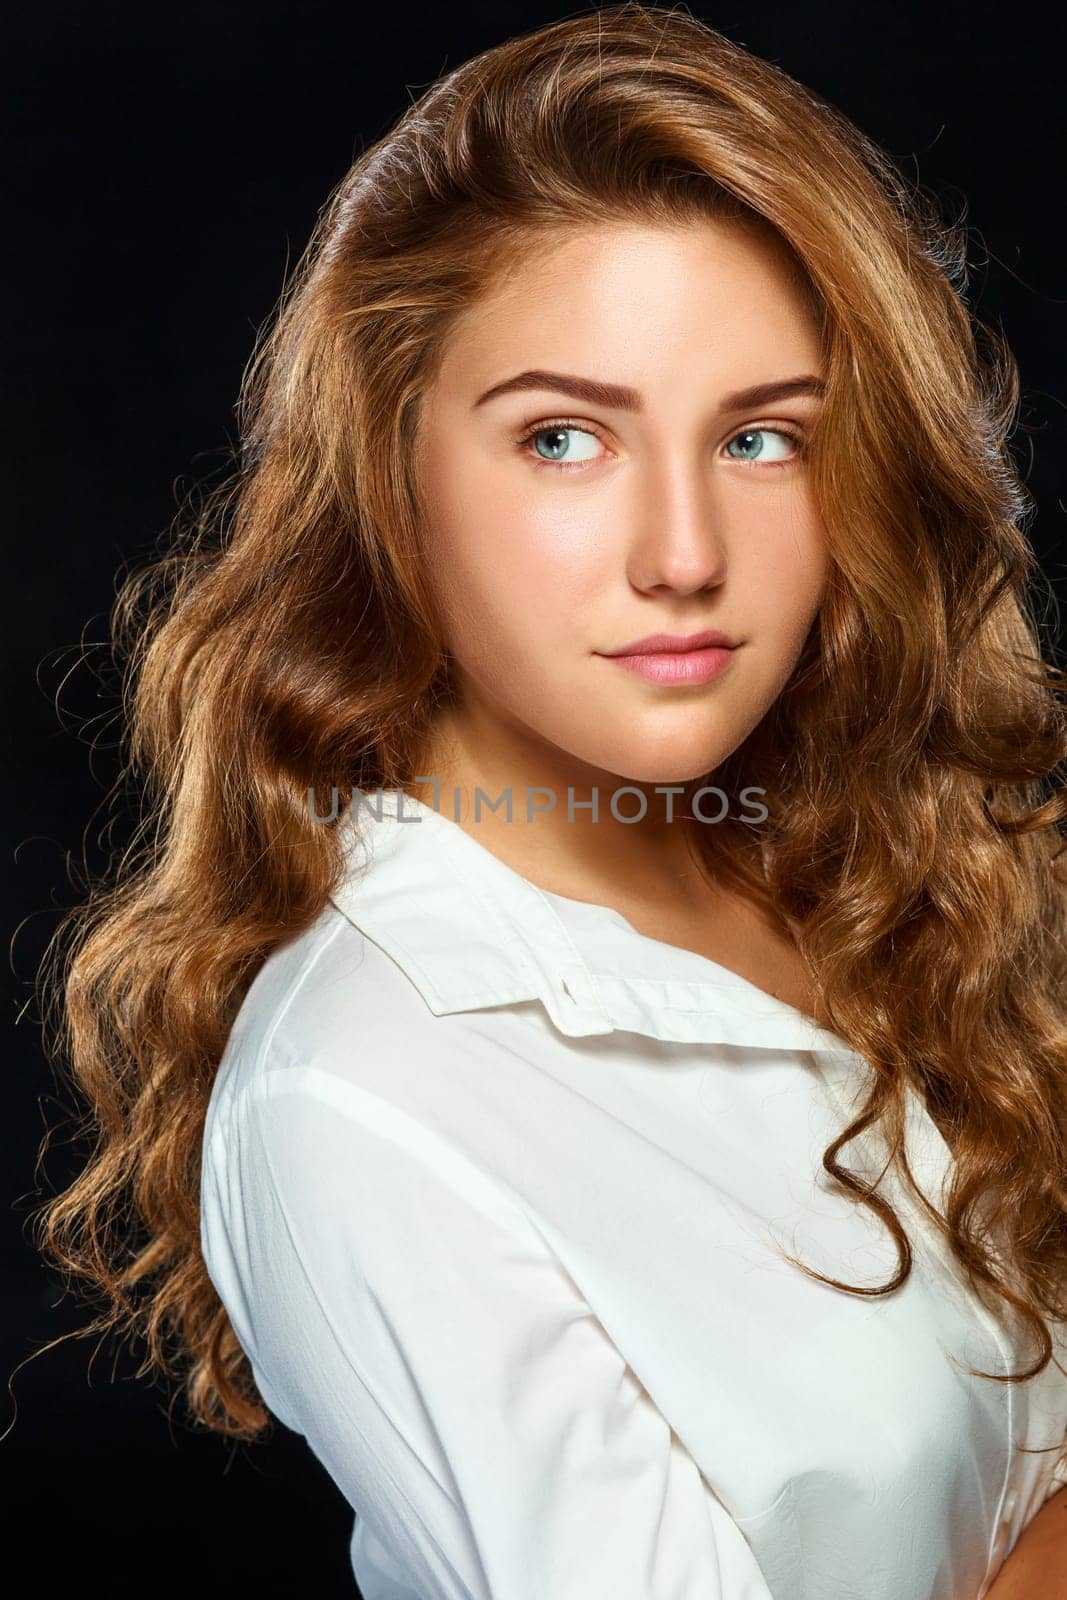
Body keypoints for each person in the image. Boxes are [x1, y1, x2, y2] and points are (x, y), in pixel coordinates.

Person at [31, 5, 1067, 1597]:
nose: (683, 552)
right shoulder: (364, 1093)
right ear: (390, 472)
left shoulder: (877, 864)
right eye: (565, 438)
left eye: (765, 437)